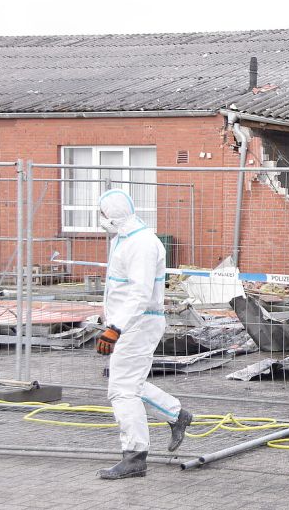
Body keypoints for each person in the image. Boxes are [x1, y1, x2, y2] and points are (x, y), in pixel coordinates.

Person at [94, 189, 192, 480]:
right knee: (129, 384)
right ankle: (176, 414)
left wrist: (115, 327)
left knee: (122, 390)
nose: (100, 219)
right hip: (130, 323)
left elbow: (140, 292)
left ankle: (135, 455)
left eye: (103, 214)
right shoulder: (124, 239)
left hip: (138, 324)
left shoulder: (141, 244)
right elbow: (120, 287)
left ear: (114, 216)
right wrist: (110, 317)